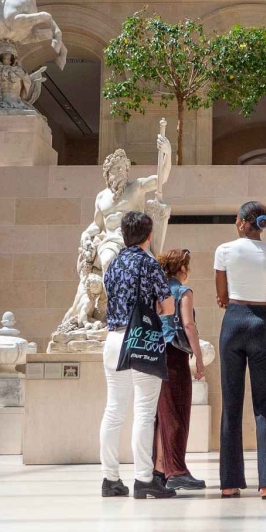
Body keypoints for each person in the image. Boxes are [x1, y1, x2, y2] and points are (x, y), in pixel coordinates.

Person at [214, 201, 266, 499]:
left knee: (231, 405)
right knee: (264, 405)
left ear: (244, 222)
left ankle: (230, 483)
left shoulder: (224, 250)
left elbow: (221, 295)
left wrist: (233, 299)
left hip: (233, 321)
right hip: (260, 324)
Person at [99, 210, 175, 500]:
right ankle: (144, 479)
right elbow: (167, 306)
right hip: (141, 339)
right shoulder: (148, 263)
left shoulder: (114, 264)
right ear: (149, 235)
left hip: (113, 339)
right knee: (144, 411)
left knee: (114, 410)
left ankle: (110, 479)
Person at [153, 248, 207, 492]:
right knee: (177, 412)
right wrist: (198, 356)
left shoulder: (158, 290)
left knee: (161, 414)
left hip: (154, 354)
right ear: (182, 268)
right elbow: (188, 324)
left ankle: (160, 469)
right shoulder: (183, 291)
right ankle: (177, 470)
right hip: (174, 355)